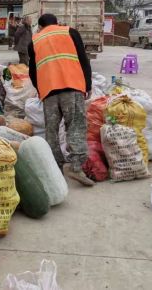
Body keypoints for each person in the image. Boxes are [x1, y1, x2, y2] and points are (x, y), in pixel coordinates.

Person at [28, 13, 94, 187]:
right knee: (75, 126)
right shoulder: (70, 32)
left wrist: (40, 90)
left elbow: (33, 72)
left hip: (49, 92)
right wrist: (87, 84)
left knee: (51, 130)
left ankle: (54, 166)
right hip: (72, 87)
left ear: (41, 26)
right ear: (57, 23)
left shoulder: (34, 41)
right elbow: (83, 59)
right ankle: (76, 167)